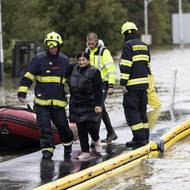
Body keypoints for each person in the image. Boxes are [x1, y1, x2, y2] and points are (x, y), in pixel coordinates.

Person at [17, 31, 74, 159]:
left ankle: (68, 143)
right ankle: (47, 150)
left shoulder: (65, 61)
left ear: (59, 46)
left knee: (63, 127)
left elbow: (72, 81)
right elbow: (28, 77)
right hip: (42, 102)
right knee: (44, 127)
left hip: (58, 102)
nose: (52, 48)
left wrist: (77, 95)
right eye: (50, 46)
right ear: (47, 45)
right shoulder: (38, 60)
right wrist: (22, 92)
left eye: (54, 46)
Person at [120, 21, 150, 148]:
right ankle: (144, 137)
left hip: (132, 86)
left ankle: (139, 139)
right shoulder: (144, 45)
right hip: (143, 85)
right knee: (142, 111)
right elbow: (148, 66)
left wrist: (123, 84)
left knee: (131, 111)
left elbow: (126, 66)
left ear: (125, 33)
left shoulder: (128, 45)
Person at [68, 52, 102, 160]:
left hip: (90, 104)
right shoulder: (72, 70)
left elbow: (98, 90)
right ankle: (85, 151)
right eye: (79, 60)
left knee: (91, 126)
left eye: (83, 60)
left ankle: (96, 139)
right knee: (81, 128)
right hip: (76, 103)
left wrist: (98, 104)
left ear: (88, 60)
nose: (81, 62)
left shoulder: (94, 72)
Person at [85, 32, 118, 143]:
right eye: (89, 44)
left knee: (97, 110)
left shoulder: (104, 52)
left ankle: (96, 139)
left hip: (103, 84)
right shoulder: (87, 52)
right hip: (90, 85)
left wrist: (111, 86)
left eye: (92, 44)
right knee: (101, 109)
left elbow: (111, 69)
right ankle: (111, 133)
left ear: (97, 41)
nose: (90, 46)